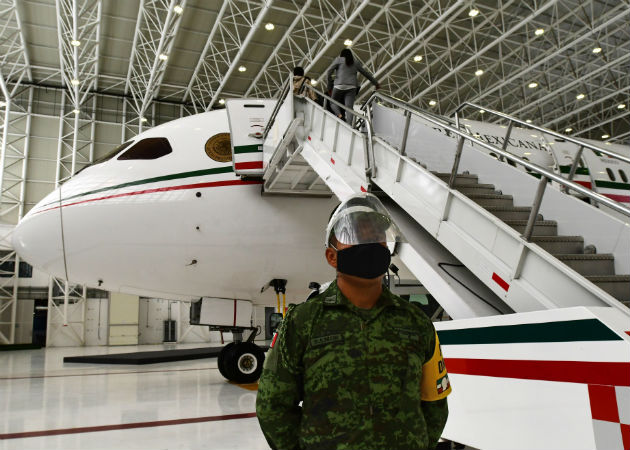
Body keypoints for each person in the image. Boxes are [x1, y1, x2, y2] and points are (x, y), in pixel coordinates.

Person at [256, 193, 451, 450]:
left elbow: (435, 404)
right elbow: (273, 406)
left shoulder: (415, 322)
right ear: (331, 256)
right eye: (356, 237)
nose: (369, 244)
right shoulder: (303, 322)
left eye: (375, 237)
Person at [326, 49, 380, 125]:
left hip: (339, 86)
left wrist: (329, 84)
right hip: (351, 87)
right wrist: (376, 83)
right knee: (349, 108)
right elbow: (366, 74)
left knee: (332, 102)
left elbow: (329, 72)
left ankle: (340, 115)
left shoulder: (338, 60)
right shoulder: (356, 62)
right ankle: (349, 125)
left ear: (342, 55)